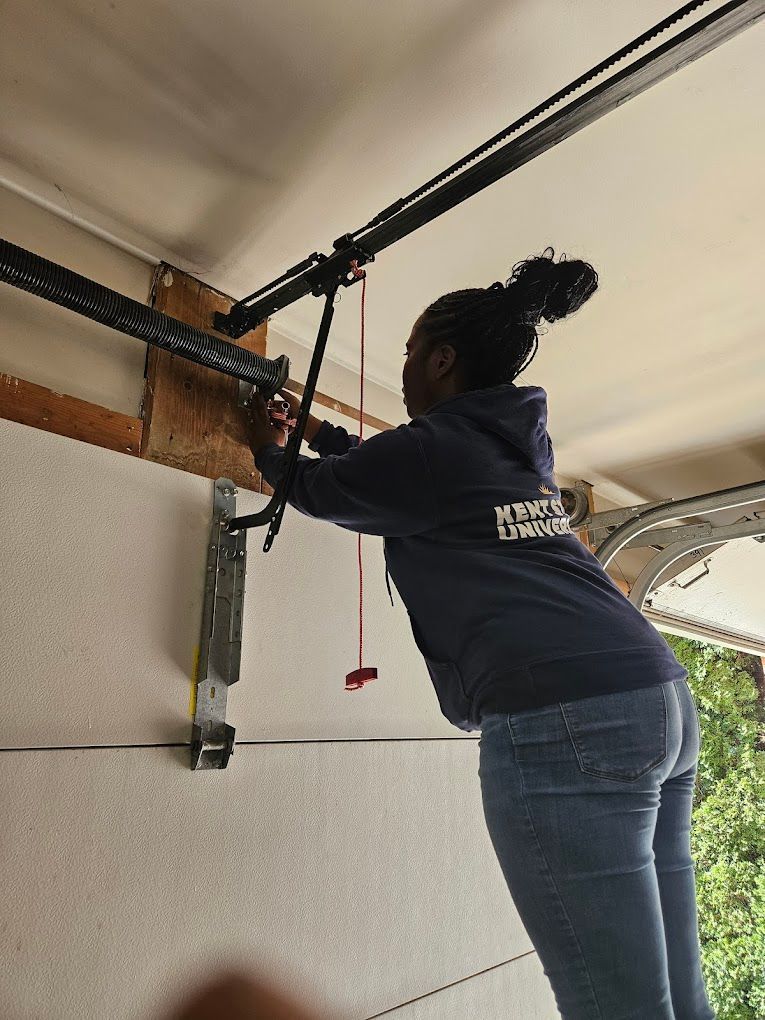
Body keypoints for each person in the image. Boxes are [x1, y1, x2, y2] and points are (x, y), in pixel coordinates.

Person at [243, 247, 715, 1019]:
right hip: (655, 699)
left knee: (615, 1001)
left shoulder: (434, 454)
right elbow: (396, 471)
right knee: (665, 986)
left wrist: (266, 448)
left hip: (568, 716)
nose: (402, 375)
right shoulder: (510, 445)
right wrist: (321, 433)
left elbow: (332, 489)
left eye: (406, 359)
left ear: (441, 359)